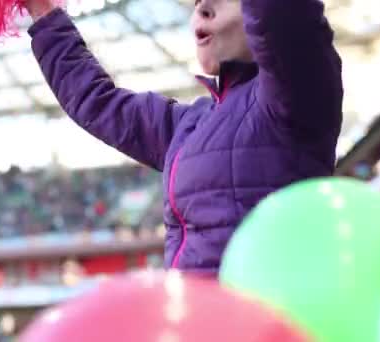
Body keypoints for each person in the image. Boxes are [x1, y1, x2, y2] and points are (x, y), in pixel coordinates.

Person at [24, 0, 343, 275]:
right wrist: (43, 11)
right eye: (195, 3)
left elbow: (285, 17)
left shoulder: (297, 92)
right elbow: (98, 101)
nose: (201, 9)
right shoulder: (188, 125)